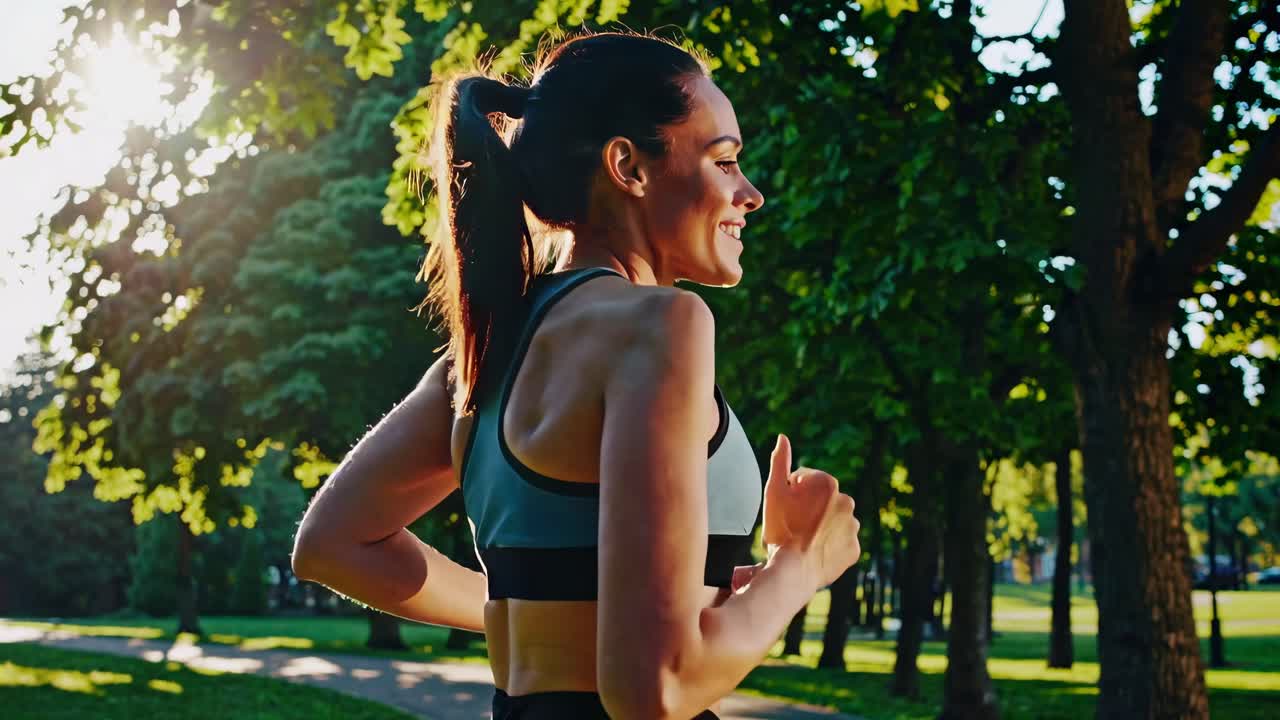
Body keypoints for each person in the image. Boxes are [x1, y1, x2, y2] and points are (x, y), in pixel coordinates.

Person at [291, 31, 862, 719]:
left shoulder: (485, 353)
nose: (752, 194)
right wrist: (799, 564)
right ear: (629, 165)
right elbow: (657, 690)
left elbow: (333, 544)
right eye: (726, 161)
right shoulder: (663, 325)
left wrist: (538, 613)